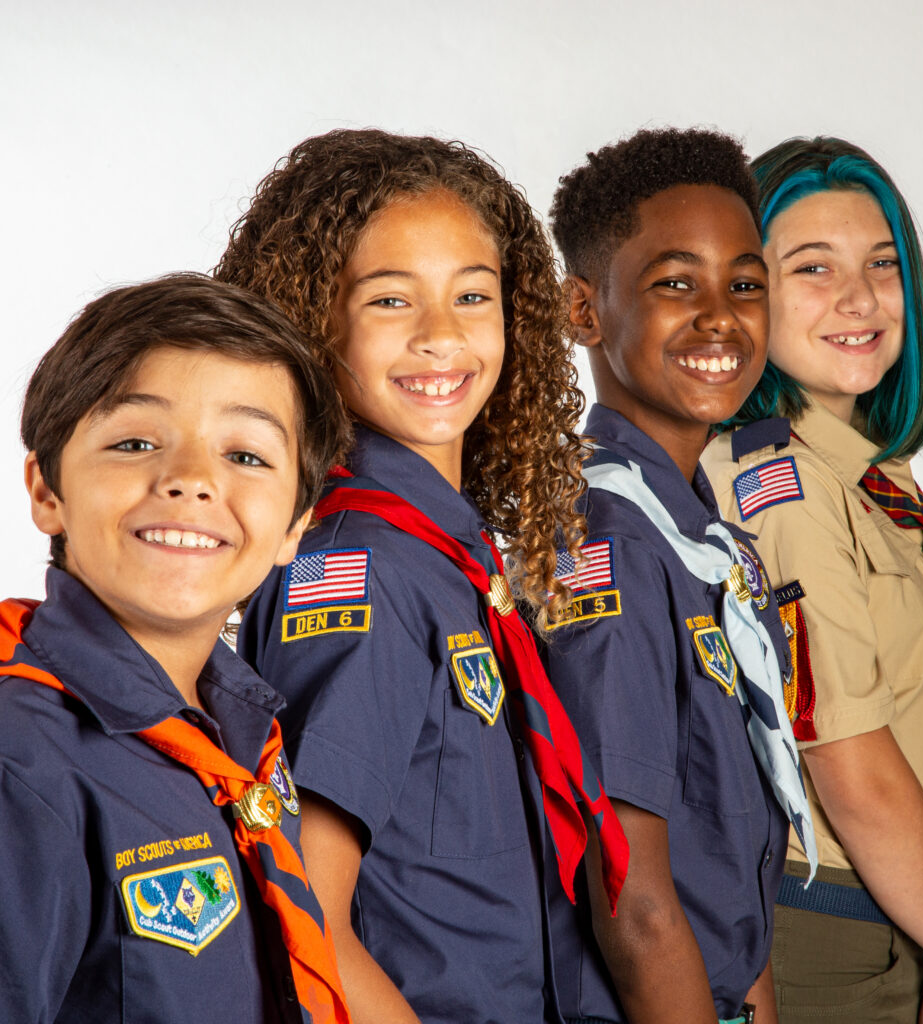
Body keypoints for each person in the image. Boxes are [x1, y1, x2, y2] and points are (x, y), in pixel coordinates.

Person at [216, 128, 628, 1024]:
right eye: (391, 300)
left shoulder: (454, 557)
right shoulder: (364, 570)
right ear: (314, 319)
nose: (441, 337)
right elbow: (306, 911)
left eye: (472, 296)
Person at [702, 136, 923, 1024]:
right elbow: (848, 763)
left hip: (909, 906)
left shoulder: (874, 482)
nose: (860, 298)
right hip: (833, 936)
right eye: (813, 268)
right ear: (746, 294)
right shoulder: (785, 492)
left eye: (882, 264)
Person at [0, 274, 351, 1023]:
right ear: (46, 490)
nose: (191, 480)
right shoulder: (20, 762)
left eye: (247, 456)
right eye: (135, 443)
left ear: (296, 524)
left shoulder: (243, 730)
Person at [541, 126, 815, 1024]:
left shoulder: (701, 538)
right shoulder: (607, 541)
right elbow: (638, 899)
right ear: (583, 312)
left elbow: (730, 870)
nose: (720, 315)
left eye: (745, 283)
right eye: (674, 283)